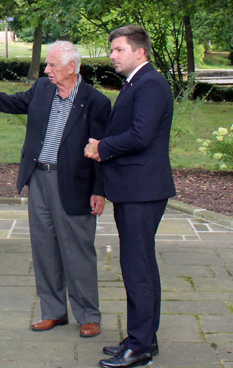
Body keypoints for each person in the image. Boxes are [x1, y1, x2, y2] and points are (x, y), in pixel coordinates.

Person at [0, 41, 111, 337]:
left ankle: (88, 315)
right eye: (47, 64)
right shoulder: (43, 88)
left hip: (74, 185)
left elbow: (101, 151)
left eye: (53, 65)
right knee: (44, 248)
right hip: (39, 179)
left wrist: (99, 190)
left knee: (78, 250)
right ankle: (53, 311)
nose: (47, 69)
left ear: (71, 67)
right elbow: (12, 103)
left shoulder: (96, 102)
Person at [84, 25, 175, 368]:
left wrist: (100, 147)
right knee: (143, 266)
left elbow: (140, 135)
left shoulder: (150, 84)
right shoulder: (139, 82)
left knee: (137, 268)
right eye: (112, 50)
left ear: (139, 52)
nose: (112, 55)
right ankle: (144, 338)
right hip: (137, 188)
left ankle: (139, 348)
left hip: (142, 190)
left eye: (118, 49)